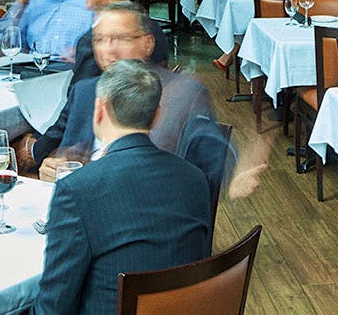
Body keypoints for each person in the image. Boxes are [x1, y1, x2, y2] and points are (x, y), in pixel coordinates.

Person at [32, 59, 211, 315]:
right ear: (157, 116)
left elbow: (54, 306)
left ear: (100, 110)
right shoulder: (196, 178)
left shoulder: (75, 190)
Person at [27, 2, 212, 171]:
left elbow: (193, 176)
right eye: (99, 40)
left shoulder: (180, 93)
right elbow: (66, 159)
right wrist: (54, 168)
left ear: (148, 43)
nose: (108, 50)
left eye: (121, 38)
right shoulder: (84, 91)